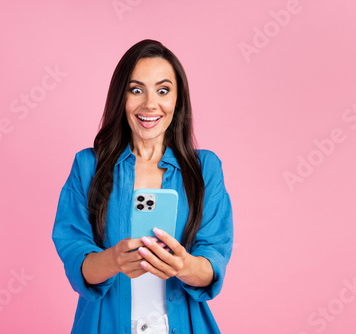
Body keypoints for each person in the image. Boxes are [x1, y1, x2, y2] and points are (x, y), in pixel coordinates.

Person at [52, 39, 233, 334]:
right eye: (136, 90)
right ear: (120, 98)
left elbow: (214, 257)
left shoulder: (205, 169)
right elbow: (74, 256)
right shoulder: (88, 167)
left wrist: (183, 266)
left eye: (163, 90)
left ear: (178, 100)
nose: (150, 104)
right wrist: (112, 260)